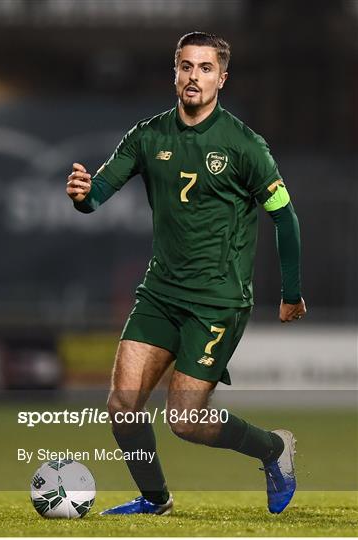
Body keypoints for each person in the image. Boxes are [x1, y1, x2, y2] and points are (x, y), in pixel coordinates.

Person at [66, 32, 306, 516]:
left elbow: (286, 217)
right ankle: (156, 500)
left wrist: (291, 292)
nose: (194, 76)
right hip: (159, 294)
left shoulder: (243, 145)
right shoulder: (147, 136)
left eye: (204, 68)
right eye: (186, 67)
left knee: (185, 422)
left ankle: (274, 449)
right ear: (174, 72)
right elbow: (96, 197)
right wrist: (82, 194)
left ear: (222, 77)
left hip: (217, 300)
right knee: (121, 406)